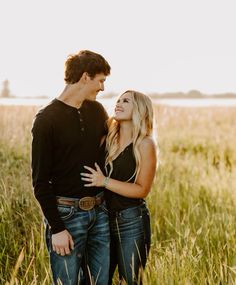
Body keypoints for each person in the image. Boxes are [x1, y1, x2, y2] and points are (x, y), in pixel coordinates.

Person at [31, 50, 111, 285]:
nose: (103, 88)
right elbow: (40, 181)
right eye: (101, 80)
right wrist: (57, 228)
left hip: (99, 212)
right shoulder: (46, 119)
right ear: (85, 77)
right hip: (66, 216)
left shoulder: (97, 112)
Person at [81, 90, 157, 285]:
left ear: (140, 109)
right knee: (95, 279)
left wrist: (104, 181)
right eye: (118, 100)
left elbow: (142, 190)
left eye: (126, 101)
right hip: (102, 219)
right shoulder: (108, 139)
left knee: (130, 280)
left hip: (131, 220)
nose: (118, 104)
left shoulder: (145, 144)